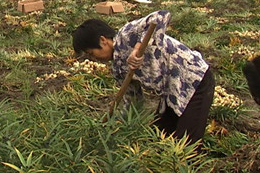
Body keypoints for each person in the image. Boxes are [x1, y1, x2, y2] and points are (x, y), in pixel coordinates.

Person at [72, 10, 215, 143]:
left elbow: (161, 15)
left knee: (186, 140)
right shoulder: (118, 68)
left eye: (91, 53)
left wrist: (138, 48)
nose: (93, 58)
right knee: (160, 138)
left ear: (103, 40)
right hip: (172, 92)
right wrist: (115, 124)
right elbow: (134, 99)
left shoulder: (127, 35)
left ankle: (189, 167)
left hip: (194, 80)